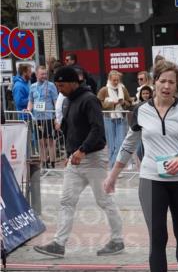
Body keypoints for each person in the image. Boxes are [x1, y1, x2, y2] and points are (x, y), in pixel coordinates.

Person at [103, 59, 178, 272]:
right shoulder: (140, 111)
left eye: (172, 82)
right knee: (158, 237)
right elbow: (129, 144)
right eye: (163, 81)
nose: (167, 86)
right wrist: (113, 175)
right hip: (151, 179)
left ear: (176, 85)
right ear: (154, 82)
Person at [33, 66, 124, 258]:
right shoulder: (67, 101)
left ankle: (117, 240)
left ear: (74, 83)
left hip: (93, 158)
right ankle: (59, 243)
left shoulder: (89, 100)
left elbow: (97, 129)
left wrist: (82, 150)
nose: (59, 90)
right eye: (57, 86)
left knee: (103, 200)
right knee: (67, 201)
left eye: (62, 85)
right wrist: (69, 151)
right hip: (75, 159)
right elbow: (69, 129)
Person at [98, 70, 133, 167]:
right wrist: (112, 103)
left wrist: (123, 103)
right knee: (111, 145)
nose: (116, 82)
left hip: (121, 119)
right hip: (108, 119)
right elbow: (98, 103)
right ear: (109, 79)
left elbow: (129, 102)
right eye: (114, 80)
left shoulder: (123, 89)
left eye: (118, 80)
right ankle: (112, 166)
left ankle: (114, 166)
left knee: (120, 143)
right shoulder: (104, 90)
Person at [27, 64, 58, 169]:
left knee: (50, 141)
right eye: (42, 74)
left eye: (45, 74)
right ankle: (44, 163)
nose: (44, 76)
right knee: (41, 142)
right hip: (37, 118)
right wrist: (28, 110)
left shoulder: (51, 85)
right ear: (36, 74)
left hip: (48, 117)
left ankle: (52, 162)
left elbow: (56, 101)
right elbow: (31, 101)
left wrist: (56, 116)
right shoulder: (32, 87)